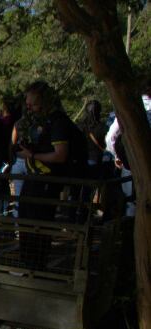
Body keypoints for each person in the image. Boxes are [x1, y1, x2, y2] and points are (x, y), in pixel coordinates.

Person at [14, 81, 87, 270]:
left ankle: (35, 264)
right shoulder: (41, 121)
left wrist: (34, 155)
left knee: (38, 223)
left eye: (33, 105)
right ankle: (27, 262)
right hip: (35, 177)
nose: (30, 109)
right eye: (28, 105)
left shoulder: (58, 122)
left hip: (46, 181)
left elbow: (60, 154)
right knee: (26, 219)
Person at [105, 76, 151, 217]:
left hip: (131, 162)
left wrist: (119, 156)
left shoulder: (129, 107)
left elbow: (110, 137)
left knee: (132, 202)